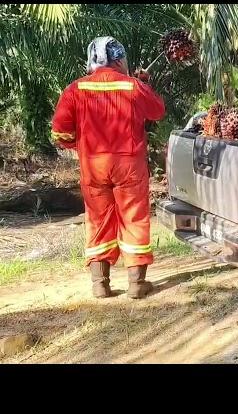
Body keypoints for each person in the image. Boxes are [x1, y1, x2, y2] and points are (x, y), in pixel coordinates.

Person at [51, 37, 165, 299]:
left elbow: (60, 130)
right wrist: (144, 84)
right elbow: (157, 111)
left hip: (93, 165)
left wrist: (78, 147)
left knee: (98, 220)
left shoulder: (75, 89)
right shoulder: (133, 86)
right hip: (129, 165)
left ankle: (100, 284)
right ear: (119, 59)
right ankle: (136, 284)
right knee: (133, 217)